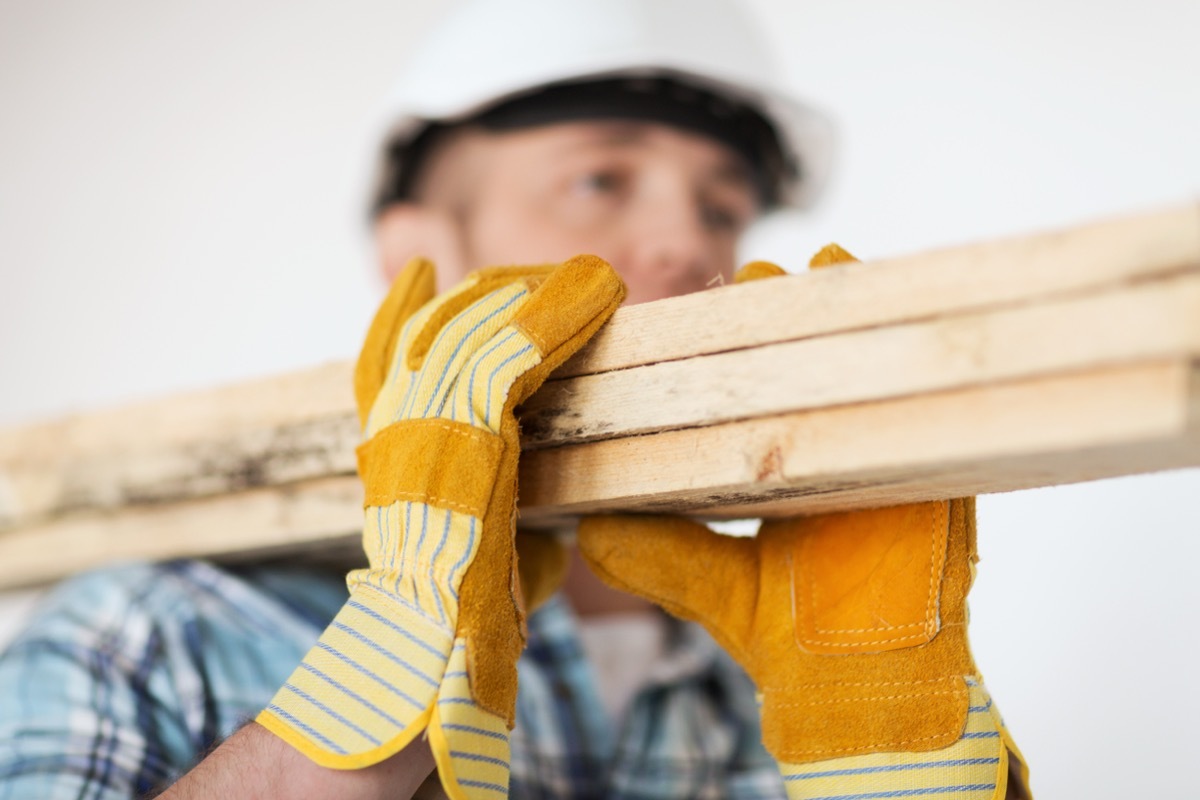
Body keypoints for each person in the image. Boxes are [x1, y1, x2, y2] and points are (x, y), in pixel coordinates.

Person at [0, 1, 1028, 798]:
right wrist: (393, 658)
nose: (690, 244)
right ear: (423, 260)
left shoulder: (757, 669)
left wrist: (886, 751)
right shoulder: (149, 632)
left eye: (722, 205)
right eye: (599, 180)